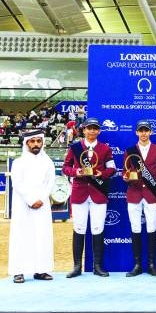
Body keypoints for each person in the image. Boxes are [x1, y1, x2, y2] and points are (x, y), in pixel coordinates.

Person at [62, 118, 116, 278]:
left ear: (99, 131)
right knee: (79, 228)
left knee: (98, 228)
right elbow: (65, 167)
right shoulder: (75, 148)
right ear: (83, 130)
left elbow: (112, 169)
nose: (92, 131)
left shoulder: (105, 149)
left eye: (95, 129)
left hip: (98, 193)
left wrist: (102, 174)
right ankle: (77, 266)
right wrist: (76, 172)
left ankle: (97, 266)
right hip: (79, 193)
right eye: (89, 128)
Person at [7, 130, 55, 283]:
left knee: (43, 236)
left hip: (42, 204)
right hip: (23, 205)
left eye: (38, 141)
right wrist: (30, 200)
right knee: (21, 236)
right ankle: (18, 271)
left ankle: (41, 270)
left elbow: (50, 182)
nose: (36, 144)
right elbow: (17, 184)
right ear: (26, 143)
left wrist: (41, 199)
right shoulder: (18, 162)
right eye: (32, 141)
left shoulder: (48, 162)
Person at [122, 120, 156, 277]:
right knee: (135, 228)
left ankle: (151, 264)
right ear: (136, 132)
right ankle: (137, 265)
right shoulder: (129, 151)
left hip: (151, 196)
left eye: (146, 130)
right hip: (134, 195)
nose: (143, 133)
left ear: (150, 132)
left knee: (151, 228)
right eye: (141, 130)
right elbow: (125, 172)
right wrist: (126, 177)